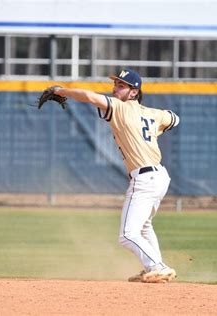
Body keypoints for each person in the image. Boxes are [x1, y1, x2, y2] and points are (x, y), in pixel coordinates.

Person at [50, 68, 180, 283]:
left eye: (121, 85)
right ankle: (152, 266)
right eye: (115, 84)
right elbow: (174, 119)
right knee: (144, 226)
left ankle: (157, 265)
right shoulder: (154, 114)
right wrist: (158, 123)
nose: (115, 88)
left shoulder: (120, 108)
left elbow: (89, 96)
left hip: (145, 178)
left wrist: (60, 90)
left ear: (133, 92)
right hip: (160, 177)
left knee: (128, 234)